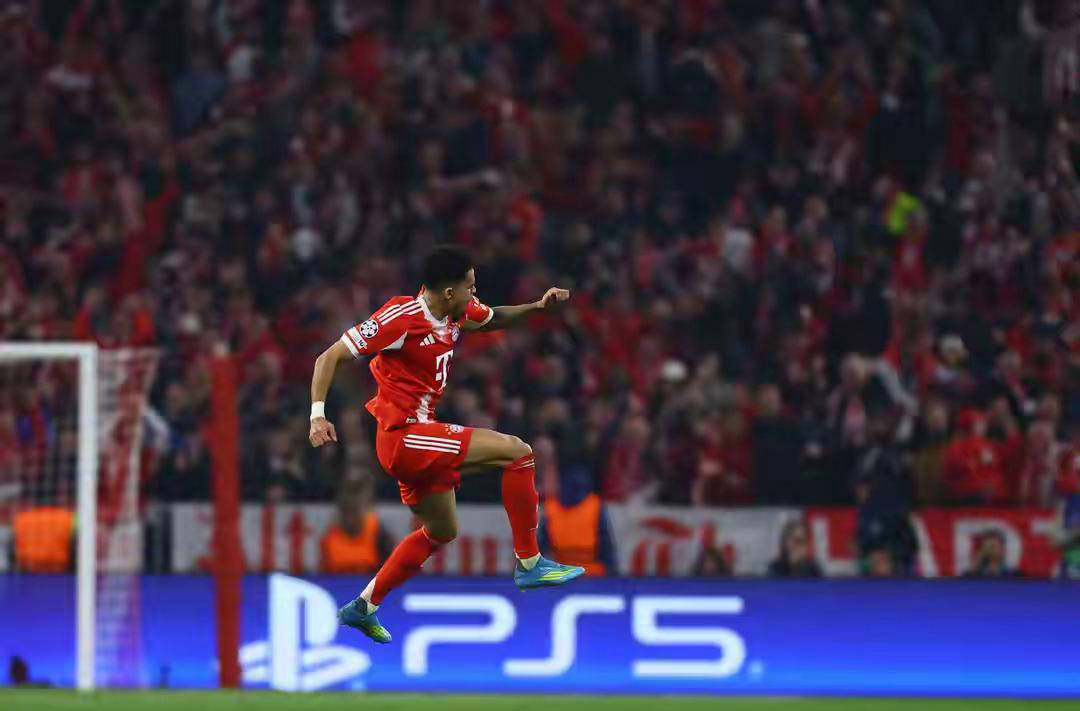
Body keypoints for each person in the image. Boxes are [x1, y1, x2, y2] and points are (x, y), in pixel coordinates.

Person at [309, 246, 585, 643]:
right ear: (449, 292)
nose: (475, 294)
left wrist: (538, 307)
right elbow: (328, 357)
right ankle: (530, 562)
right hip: (404, 436)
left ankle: (363, 606)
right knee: (518, 452)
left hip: (419, 437)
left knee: (441, 530)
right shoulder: (400, 318)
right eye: (470, 287)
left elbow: (492, 319)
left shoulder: (456, 311)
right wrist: (318, 415)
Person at [539, 463, 616, 576]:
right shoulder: (594, 505)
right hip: (575, 573)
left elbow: (605, 545)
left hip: (582, 574)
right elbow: (606, 546)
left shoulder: (551, 507)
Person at [320, 475, 394, 575]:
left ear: (361, 511)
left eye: (354, 512)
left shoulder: (378, 532)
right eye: (346, 512)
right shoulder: (330, 537)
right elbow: (323, 574)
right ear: (340, 513)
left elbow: (390, 569)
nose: (350, 518)